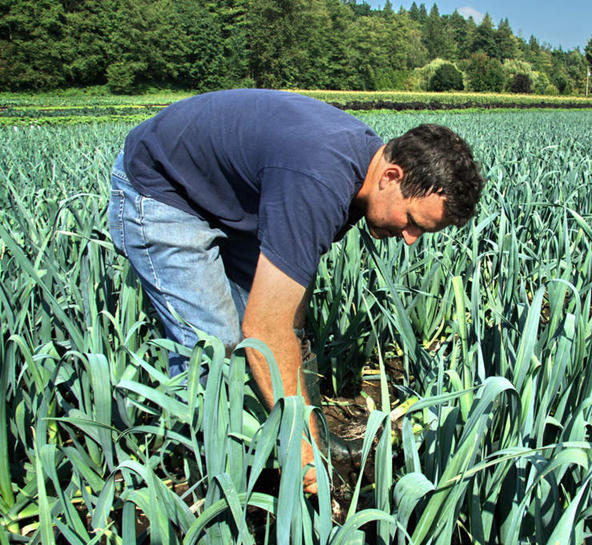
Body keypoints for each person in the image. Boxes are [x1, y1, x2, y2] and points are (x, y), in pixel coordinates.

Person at [107, 89, 484, 493]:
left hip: (228, 200)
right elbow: (265, 330)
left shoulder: (362, 176)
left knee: (266, 346)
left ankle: (291, 441)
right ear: (391, 177)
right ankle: (214, 483)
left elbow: (293, 281)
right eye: (412, 221)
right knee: (215, 350)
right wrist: (302, 452)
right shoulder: (319, 179)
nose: (410, 238)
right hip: (164, 188)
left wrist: (295, 343)